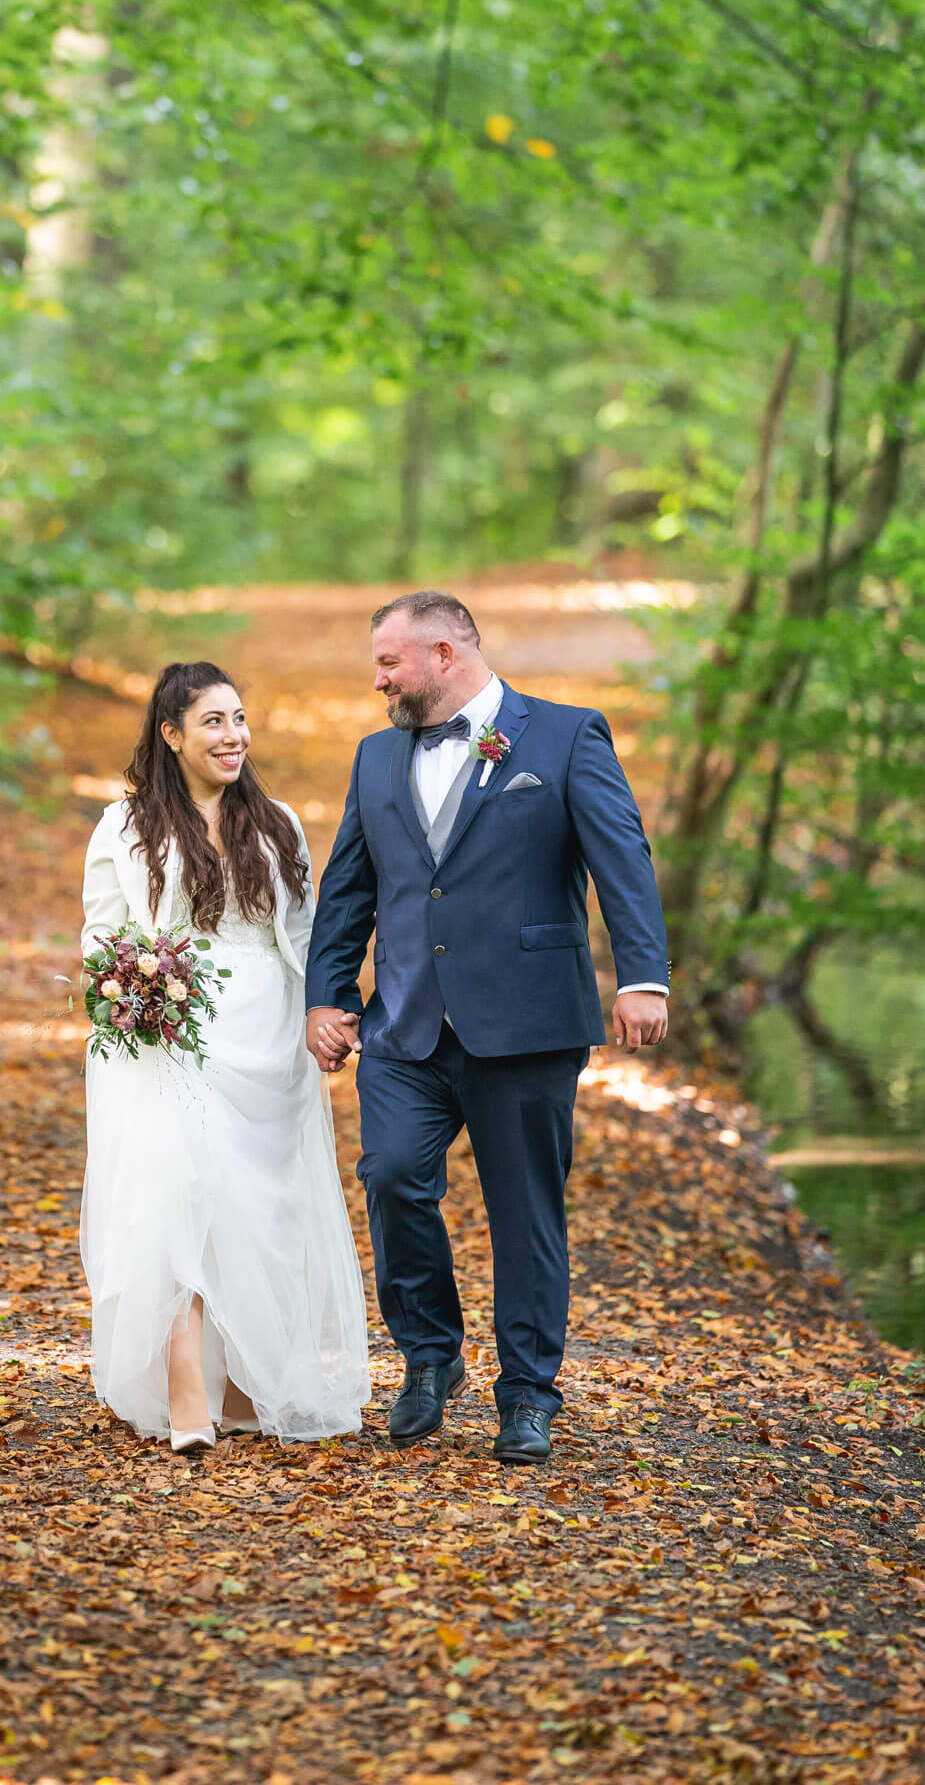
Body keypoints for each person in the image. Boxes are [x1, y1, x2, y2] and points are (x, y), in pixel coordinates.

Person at [305, 591, 669, 1466]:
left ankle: (528, 1395)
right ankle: (430, 1357)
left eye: (388, 663)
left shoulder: (566, 736)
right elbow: (349, 885)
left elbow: (622, 858)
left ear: (443, 653)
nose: (378, 680)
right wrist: (328, 995)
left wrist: (642, 976)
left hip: (527, 1023)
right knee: (393, 1178)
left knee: (526, 1214)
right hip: (404, 1024)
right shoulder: (375, 757)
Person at [79, 661, 369, 1451]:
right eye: (214, 721)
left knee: (262, 1208)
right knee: (180, 1202)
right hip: (173, 1036)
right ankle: (185, 1391)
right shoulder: (125, 827)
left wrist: (323, 1013)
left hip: (267, 1033)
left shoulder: (277, 823)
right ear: (171, 734)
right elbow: (100, 937)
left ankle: (247, 1385)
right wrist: (133, 988)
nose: (233, 735)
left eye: (239, 719)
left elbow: (304, 933)